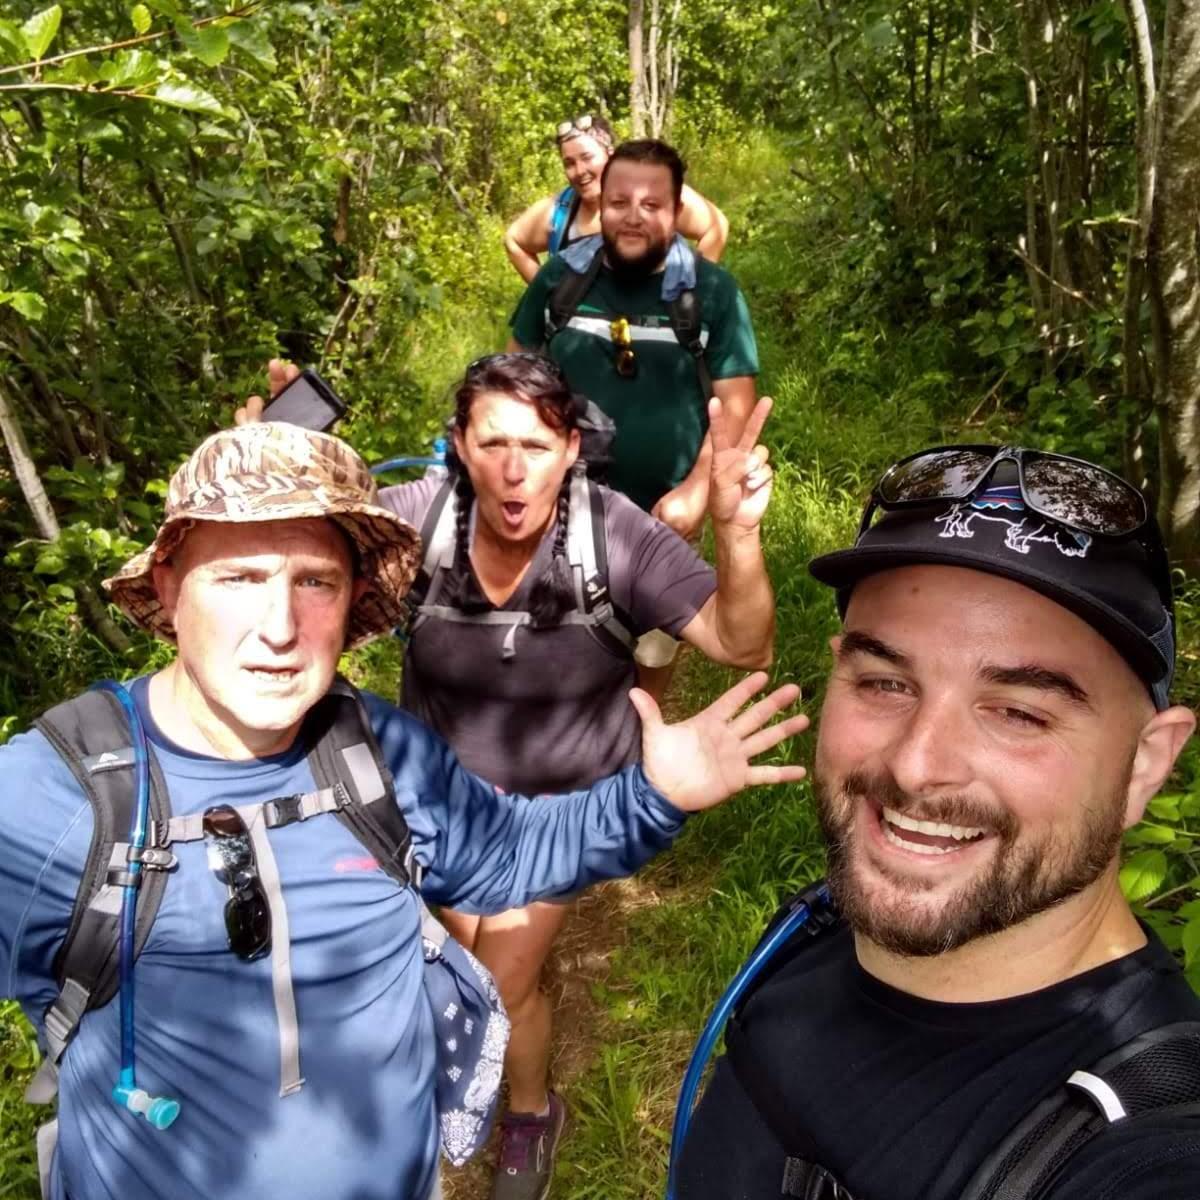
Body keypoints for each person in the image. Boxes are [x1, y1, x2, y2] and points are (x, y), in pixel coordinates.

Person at [0, 421, 809, 1200]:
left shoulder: (373, 749)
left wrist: (653, 796)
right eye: (239, 578)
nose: (279, 628)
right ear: (170, 589)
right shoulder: (50, 801)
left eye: (313, 581)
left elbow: (510, 855)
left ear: (353, 600)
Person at [241, 351, 776, 1200]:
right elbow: (298, 566)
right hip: (444, 801)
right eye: (492, 443)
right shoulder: (419, 522)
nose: (514, 469)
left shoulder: (613, 532)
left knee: (497, 976)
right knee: (459, 958)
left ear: (571, 448)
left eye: (536, 443)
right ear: (457, 444)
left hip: (572, 803)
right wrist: (267, 472)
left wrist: (738, 535)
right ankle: (464, 1085)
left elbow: (741, 642)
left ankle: (529, 1112)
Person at [674, 445, 1200, 1199]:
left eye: (1019, 712)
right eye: (886, 682)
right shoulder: (813, 935)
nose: (916, 766)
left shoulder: (1146, 1143)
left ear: (1146, 764)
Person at [508, 138, 758, 542]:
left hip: (665, 524)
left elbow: (736, 402)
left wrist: (697, 490)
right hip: (557, 514)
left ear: (677, 212)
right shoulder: (559, 280)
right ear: (600, 206)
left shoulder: (713, 292)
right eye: (619, 203)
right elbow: (510, 383)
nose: (633, 217)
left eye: (651, 206)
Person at [503, 115, 729, 285]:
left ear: (609, 154)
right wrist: (548, 293)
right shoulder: (559, 212)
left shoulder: (650, 191)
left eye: (587, 157)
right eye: (569, 163)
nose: (580, 170)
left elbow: (716, 226)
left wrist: (693, 288)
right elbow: (514, 240)